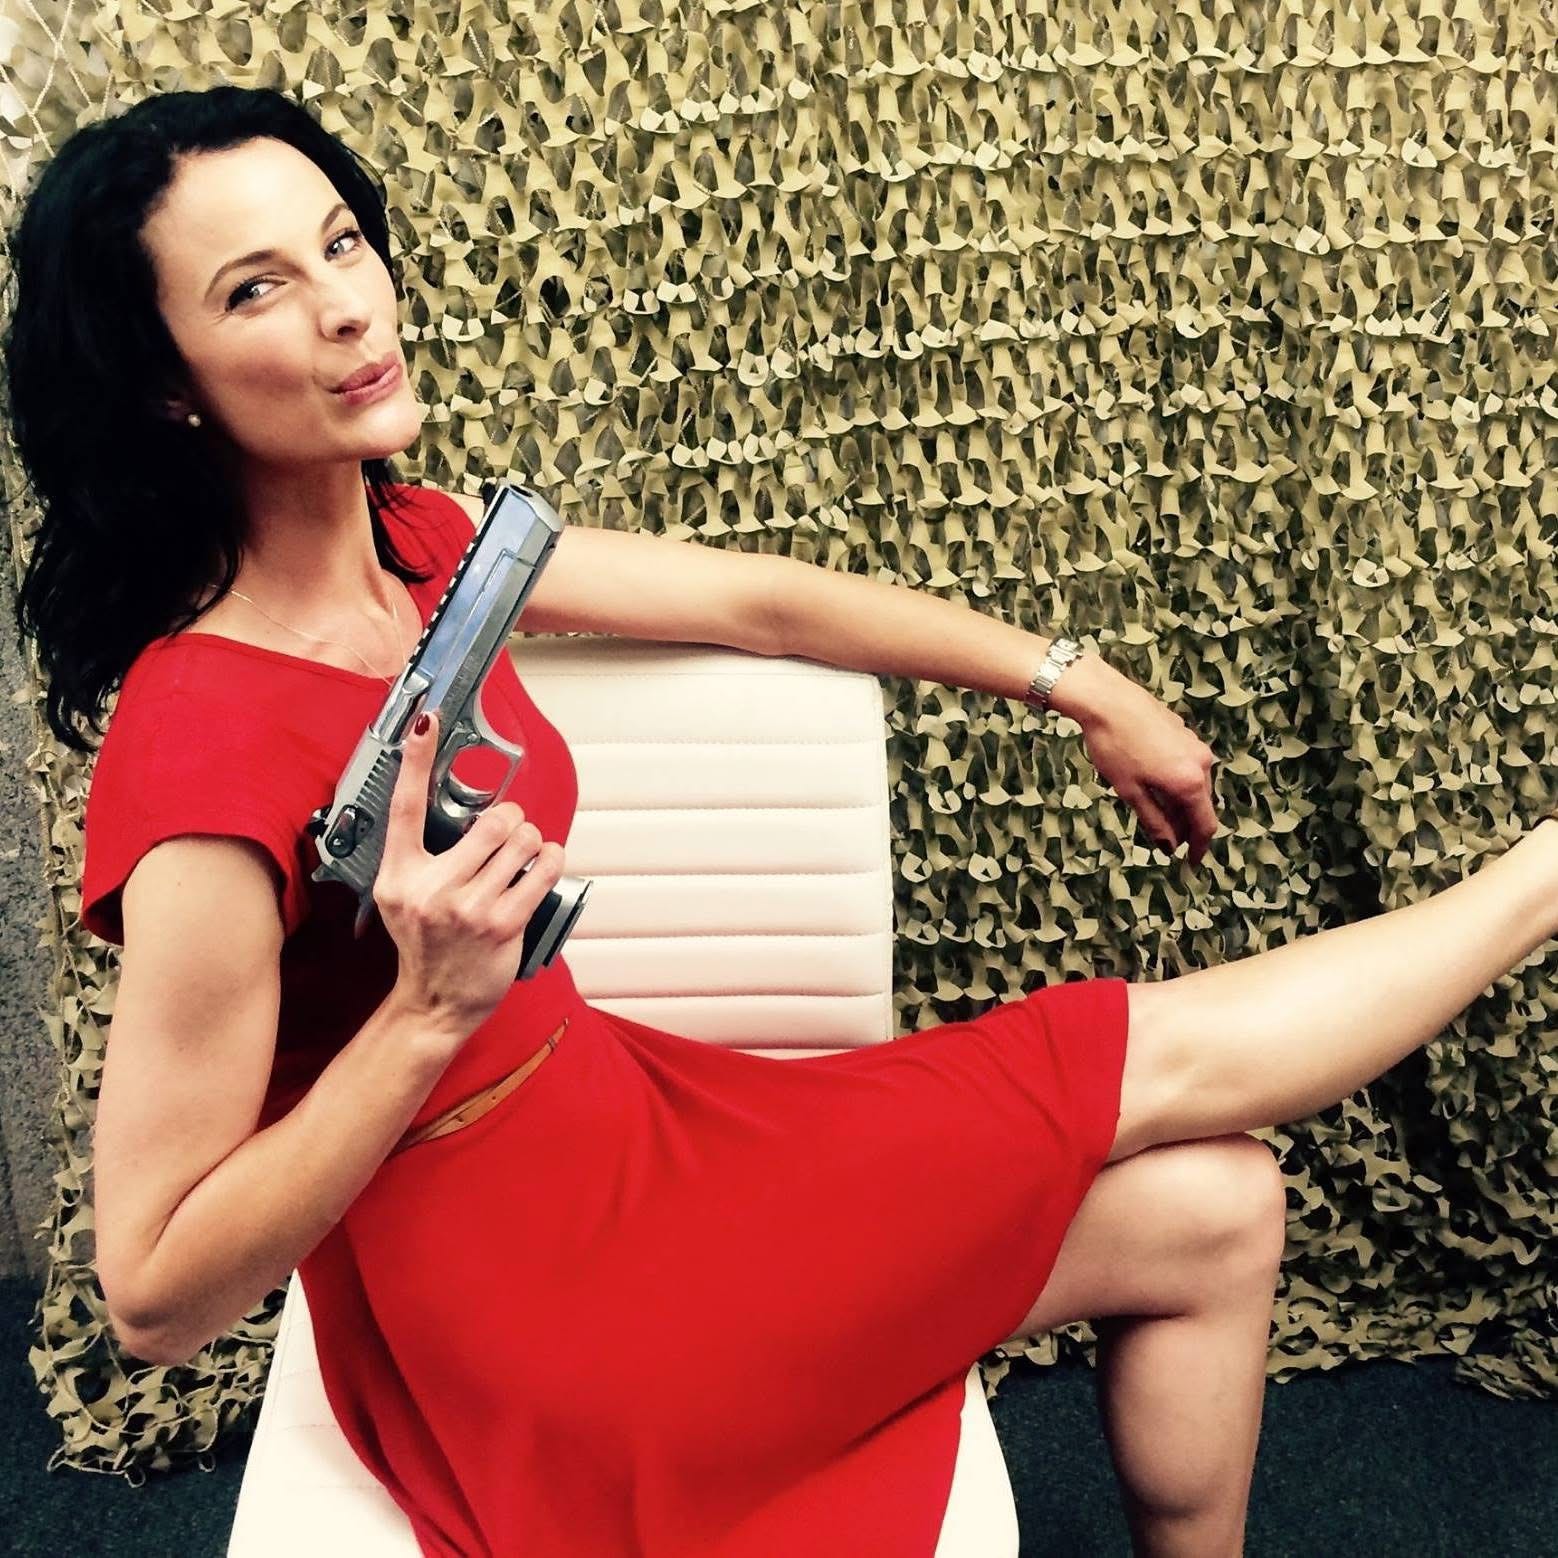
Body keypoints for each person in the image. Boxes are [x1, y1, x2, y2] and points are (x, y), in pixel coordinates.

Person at [3, 83, 1553, 1558]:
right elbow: (151, 1292)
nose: (346, 307)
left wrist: (1075, 682)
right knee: (1151, 1071)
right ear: (166, 383)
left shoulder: (422, 548)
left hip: (624, 1130)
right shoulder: (197, 751)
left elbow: (760, 600)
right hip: (518, 1293)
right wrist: (420, 1016)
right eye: (255, 290)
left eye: (342, 242)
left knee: (1218, 1202)